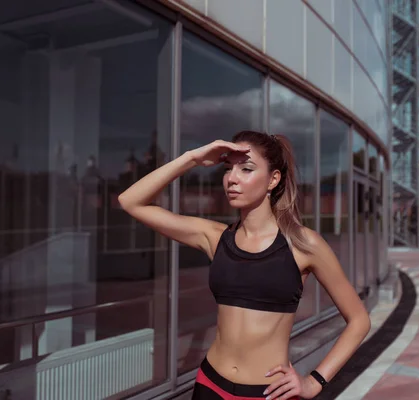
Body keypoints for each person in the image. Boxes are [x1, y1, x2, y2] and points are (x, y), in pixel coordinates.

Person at [118, 130, 370, 400]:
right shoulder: (215, 238)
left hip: (268, 394)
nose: (232, 179)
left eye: (246, 169)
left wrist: (314, 382)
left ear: (273, 179)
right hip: (209, 386)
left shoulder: (303, 244)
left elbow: (359, 321)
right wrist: (192, 158)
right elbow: (131, 202)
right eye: (228, 170)